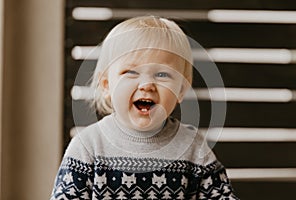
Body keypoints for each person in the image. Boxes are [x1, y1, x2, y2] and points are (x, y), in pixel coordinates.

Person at [51, 16, 239, 199]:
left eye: (162, 74)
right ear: (107, 85)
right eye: (131, 72)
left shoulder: (193, 148)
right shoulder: (88, 146)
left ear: (181, 89)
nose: (147, 85)